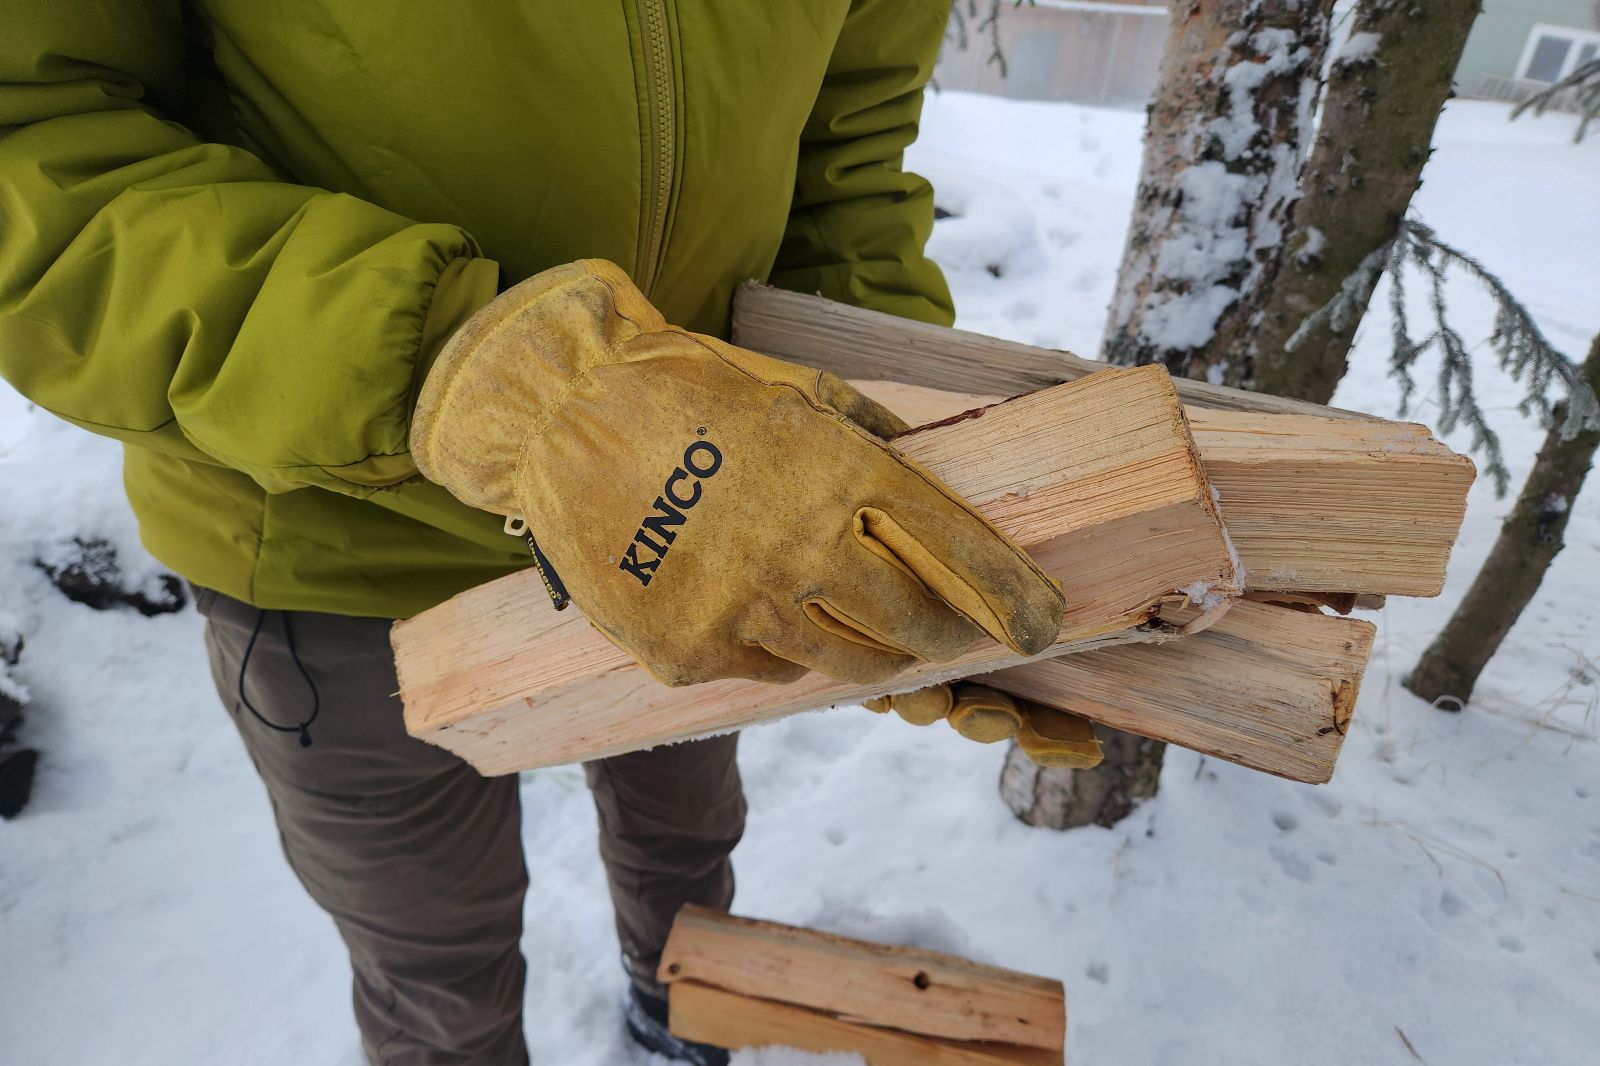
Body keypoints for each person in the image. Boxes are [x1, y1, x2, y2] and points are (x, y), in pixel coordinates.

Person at [0, 3, 1063, 1064]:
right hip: (333, 549)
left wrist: (898, 471)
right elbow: (34, 148)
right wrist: (502, 389)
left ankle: (677, 1025)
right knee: (434, 961)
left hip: (713, 518)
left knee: (686, 840)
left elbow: (846, 158)